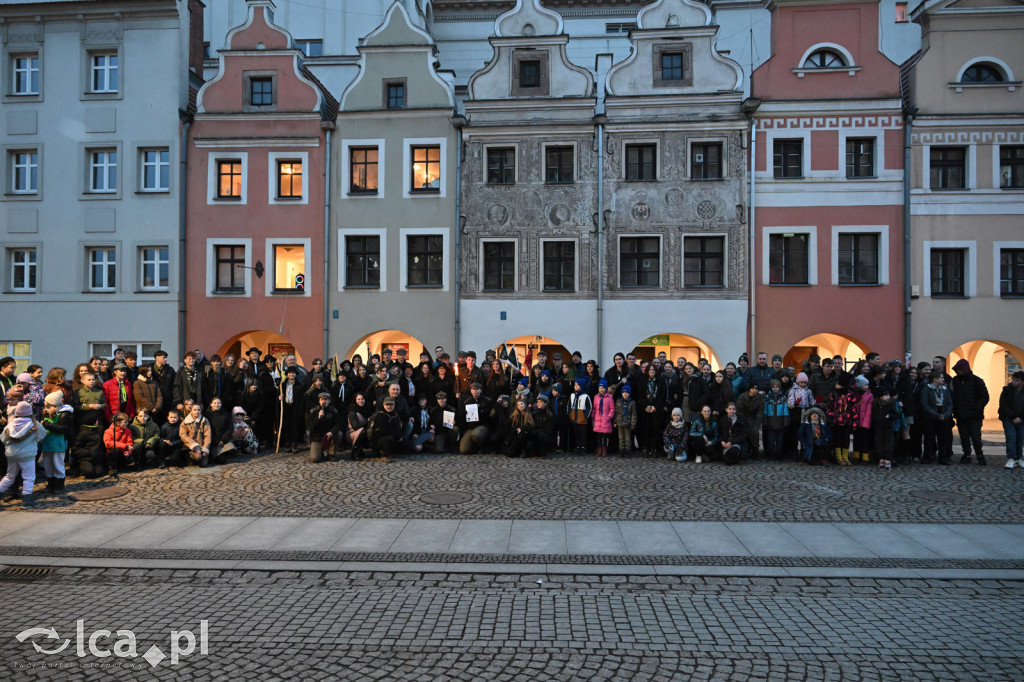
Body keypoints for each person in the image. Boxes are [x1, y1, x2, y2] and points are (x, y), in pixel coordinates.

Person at [0, 402, 47, 507]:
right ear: (30, 413)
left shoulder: (10, 424)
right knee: (28, 477)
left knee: (9, 476)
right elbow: (43, 435)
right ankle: (26, 500)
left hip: (12, 455)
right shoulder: (34, 424)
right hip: (27, 456)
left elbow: (3, 439)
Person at [950, 358, 989, 465]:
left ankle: (979, 455)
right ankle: (966, 455)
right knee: (964, 437)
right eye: (958, 370)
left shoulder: (977, 380)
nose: (959, 372)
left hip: (974, 415)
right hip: (961, 414)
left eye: (961, 370)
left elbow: (984, 396)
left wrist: (977, 407)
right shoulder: (955, 381)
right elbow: (953, 396)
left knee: (976, 437)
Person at [40, 391, 75, 493]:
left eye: (47, 402)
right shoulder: (47, 412)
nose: (44, 404)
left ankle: (59, 485)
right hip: (47, 442)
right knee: (48, 464)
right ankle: (51, 484)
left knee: (57, 464)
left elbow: (63, 428)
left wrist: (47, 424)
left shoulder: (64, 414)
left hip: (58, 443)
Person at [918, 369, 953, 465]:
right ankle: (927, 457)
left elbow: (949, 403)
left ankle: (943, 458)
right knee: (929, 438)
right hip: (930, 417)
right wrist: (936, 415)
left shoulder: (945, 390)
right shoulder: (926, 389)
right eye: (941, 378)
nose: (943, 379)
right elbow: (925, 404)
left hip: (943, 416)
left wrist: (946, 414)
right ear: (935, 379)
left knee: (943, 438)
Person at [998, 371, 1024, 469]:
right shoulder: (1007, 390)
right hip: (1009, 418)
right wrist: (1013, 417)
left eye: (1017, 380)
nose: (1013, 382)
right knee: (1011, 438)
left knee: (1020, 439)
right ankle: (1011, 458)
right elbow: (1004, 405)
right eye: (1013, 380)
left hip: (1022, 419)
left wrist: (1020, 417)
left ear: (1022, 382)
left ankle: (1018, 458)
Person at [762, 380, 790, 460]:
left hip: (780, 420)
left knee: (780, 440)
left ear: (779, 388)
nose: (775, 389)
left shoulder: (783, 398)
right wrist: (765, 419)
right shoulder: (767, 397)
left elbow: (785, 410)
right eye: (773, 387)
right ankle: (771, 454)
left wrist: (786, 420)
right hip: (770, 420)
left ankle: (779, 454)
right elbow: (765, 409)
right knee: (771, 440)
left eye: (776, 387)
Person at [308, 392, 339, 463]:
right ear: (319, 401)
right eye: (322, 399)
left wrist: (331, 432)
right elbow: (309, 425)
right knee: (315, 459)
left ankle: (331, 454)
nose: (323, 401)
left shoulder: (333, 411)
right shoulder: (313, 411)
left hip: (328, 436)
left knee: (339, 434)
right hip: (317, 437)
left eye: (326, 399)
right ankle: (320, 452)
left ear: (329, 401)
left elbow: (338, 424)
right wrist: (318, 418)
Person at [180, 403, 213, 467]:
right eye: (195, 410)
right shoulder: (185, 422)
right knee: (197, 457)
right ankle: (190, 458)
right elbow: (183, 435)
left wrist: (205, 449)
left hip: (202, 445)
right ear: (191, 411)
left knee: (204, 464)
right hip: (190, 445)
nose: (197, 412)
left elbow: (207, 436)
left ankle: (199, 458)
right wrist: (195, 446)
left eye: (198, 410)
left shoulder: (205, 421)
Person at [567, 377, 592, 454]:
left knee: (583, 434)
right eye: (575, 385)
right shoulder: (572, 395)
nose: (575, 386)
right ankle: (578, 446)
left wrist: (585, 416)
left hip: (582, 418)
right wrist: (569, 413)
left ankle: (583, 447)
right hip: (574, 417)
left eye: (578, 385)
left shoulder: (585, 396)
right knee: (576, 433)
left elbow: (589, 407)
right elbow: (569, 405)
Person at [592, 378, 615, 456]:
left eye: (602, 388)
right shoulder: (596, 397)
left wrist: (609, 417)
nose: (601, 390)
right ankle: (599, 449)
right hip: (598, 420)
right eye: (599, 388)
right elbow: (594, 408)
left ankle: (605, 449)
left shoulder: (609, 398)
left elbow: (612, 408)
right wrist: (593, 417)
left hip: (605, 420)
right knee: (598, 437)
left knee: (604, 437)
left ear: (606, 388)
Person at [614, 383, 637, 457]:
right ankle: (621, 451)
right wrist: (615, 421)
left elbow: (634, 414)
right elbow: (616, 412)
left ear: (629, 393)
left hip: (628, 423)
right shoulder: (618, 401)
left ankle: (628, 451)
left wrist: (633, 423)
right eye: (623, 392)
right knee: (621, 438)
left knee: (627, 439)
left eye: (627, 392)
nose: (625, 394)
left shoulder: (632, 403)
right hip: (620, 422)